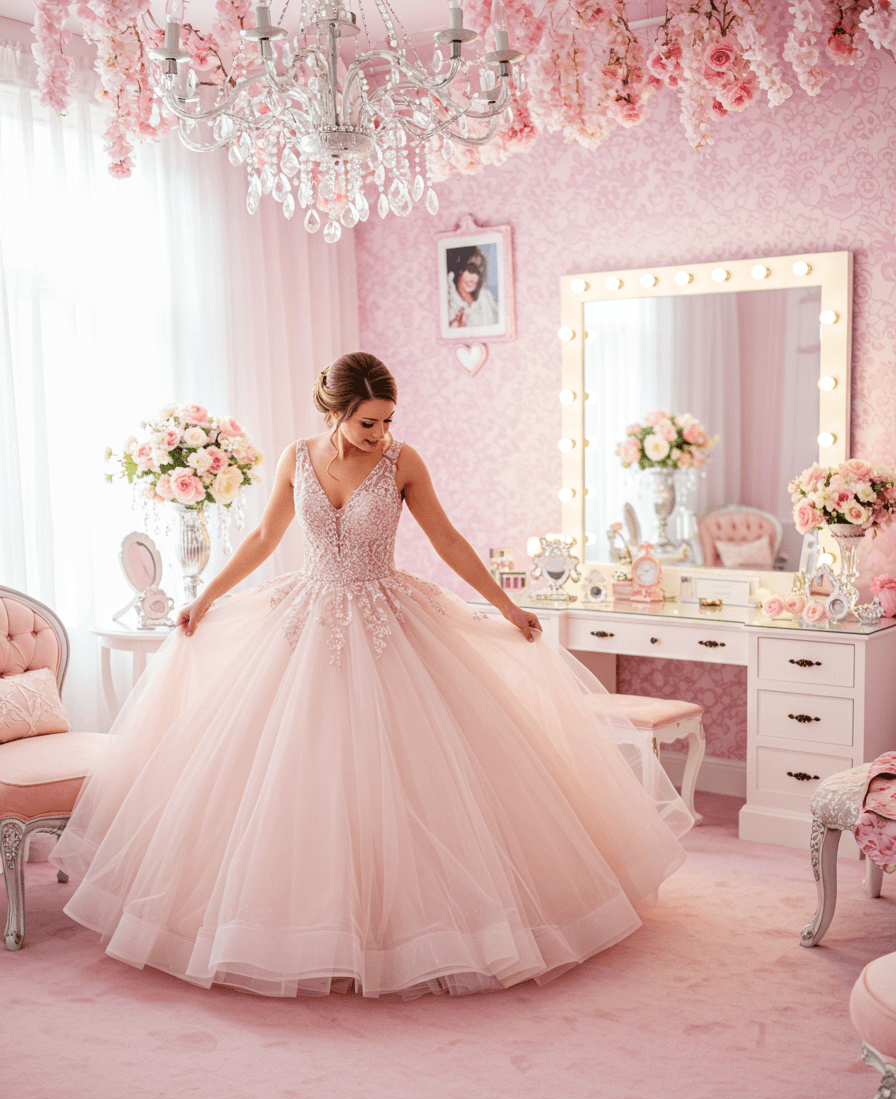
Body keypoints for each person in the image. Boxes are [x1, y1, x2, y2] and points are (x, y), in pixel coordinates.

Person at [51, 352, 691, 999]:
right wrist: (206, 598)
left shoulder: (403, 462)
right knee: (294, 769)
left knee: (410, 769)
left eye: (387, 421)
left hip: (388, 622)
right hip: (304, 620)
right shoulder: (295, 458)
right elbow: (264, 538)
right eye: (367, 423)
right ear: (335, 412)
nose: (380, 434)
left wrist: (506, 607)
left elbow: (447, 541)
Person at [446, 246, 499, 329]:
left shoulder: (485, 298)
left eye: (478, 273)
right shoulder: (449, 301)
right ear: (459, 271)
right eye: (470, 270)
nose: (473, 278)